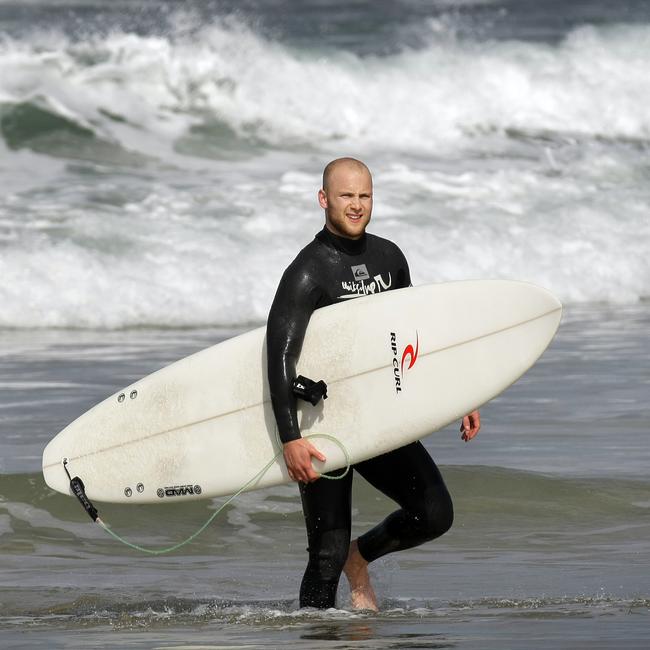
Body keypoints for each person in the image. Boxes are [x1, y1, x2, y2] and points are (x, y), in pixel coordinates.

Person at [266, 157, 480, 610]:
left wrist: (461, 392)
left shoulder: (389, 257)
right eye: (346, 196)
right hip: (326, 425)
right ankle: (318, 638)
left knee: (435, 513)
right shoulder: (308, 270)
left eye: (364, 196)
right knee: (324, 558)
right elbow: (279, 355)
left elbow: (410, 337)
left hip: (380, 417)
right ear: (324, 199)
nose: (357, 205)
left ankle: (360, 557)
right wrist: (291, 438)